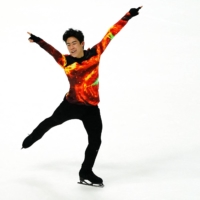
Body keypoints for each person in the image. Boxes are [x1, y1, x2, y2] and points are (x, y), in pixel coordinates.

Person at [22, 6, 142, 187]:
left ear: (82, 43)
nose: (70, 47)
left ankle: (86, 172)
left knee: (95, 140)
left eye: (74, 43)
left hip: (91, 108)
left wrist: (128, 15)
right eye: (68, 44)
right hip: (70, 105)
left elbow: (111, 34)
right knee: (51, 121)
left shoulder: (95, 53)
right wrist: (38, 40)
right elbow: (51, 50)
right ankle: (32, 137)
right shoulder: (65, 61)